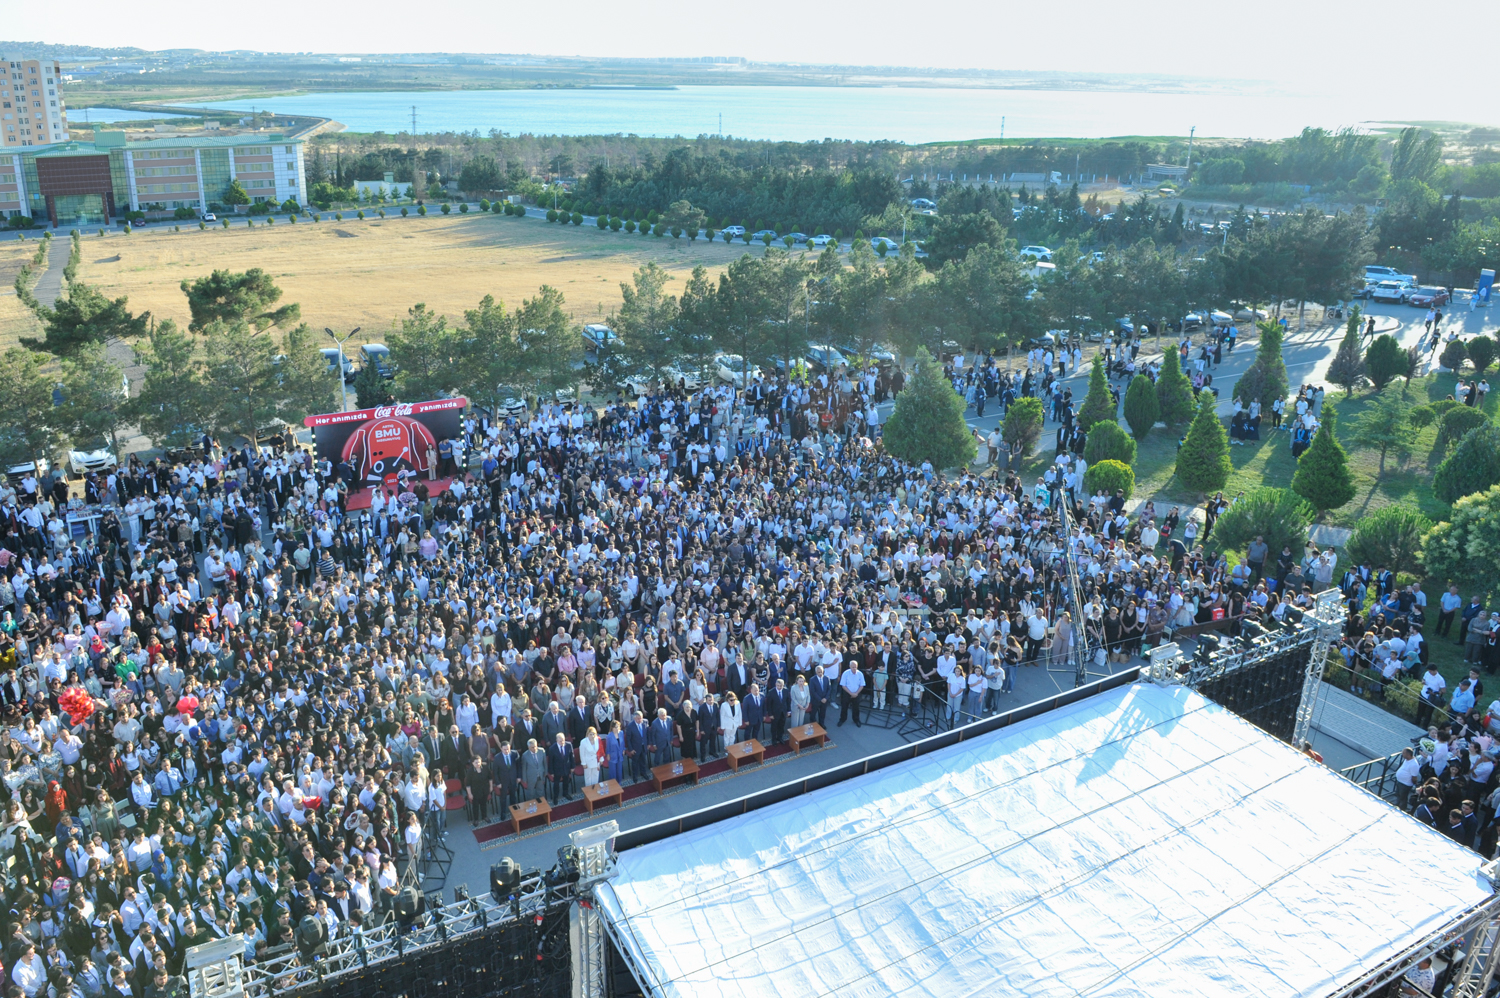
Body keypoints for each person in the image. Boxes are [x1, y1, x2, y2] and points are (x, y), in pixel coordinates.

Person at [838, 662, 865, 727]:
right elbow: (843, 685)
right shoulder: (845, 673)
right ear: (850, 666)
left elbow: (862, 685)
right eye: (853, 667)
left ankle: (856, 720)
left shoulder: (860, 674)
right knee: (844, 707)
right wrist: (851, 693)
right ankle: (842, 719)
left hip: (856, 694)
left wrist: (856, 693)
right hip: (847, 693)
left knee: (856, 708)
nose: (854, 668)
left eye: (855, 667)